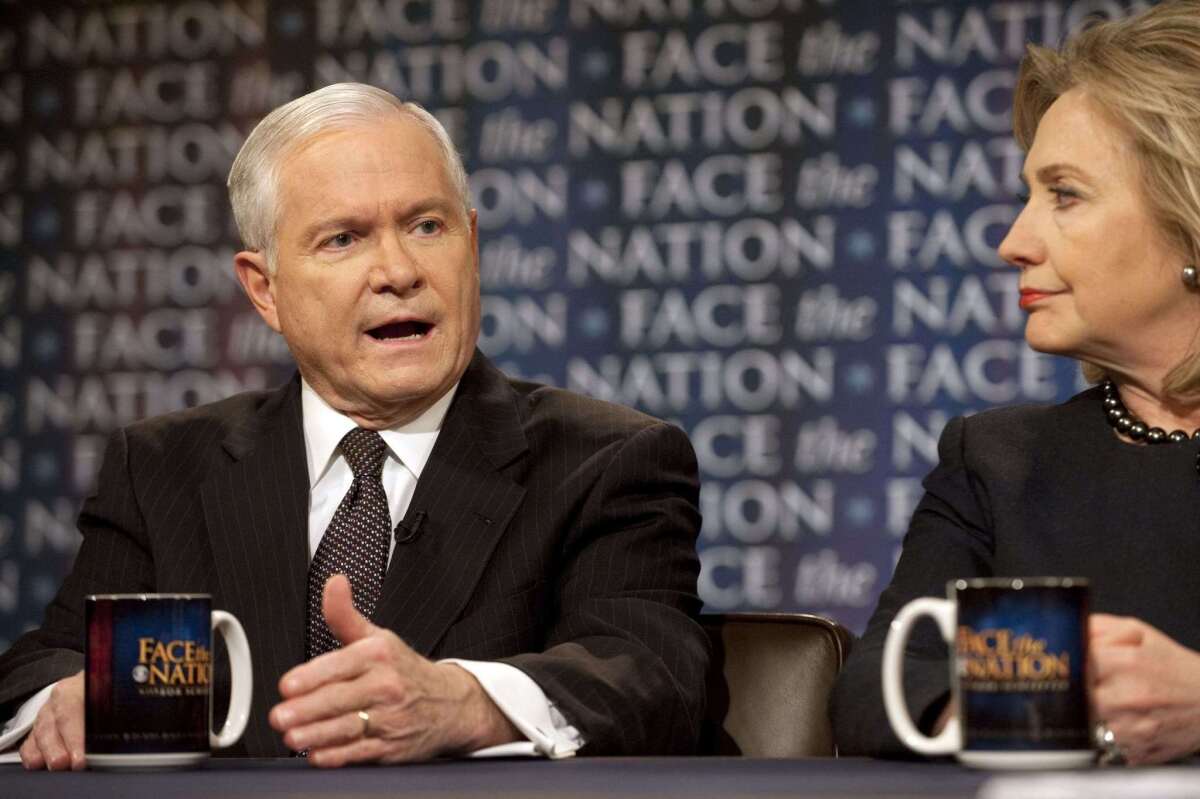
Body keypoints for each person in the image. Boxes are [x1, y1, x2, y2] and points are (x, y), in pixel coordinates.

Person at [0, 83, 709, 769]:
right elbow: (44, 663)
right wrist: (67, 700)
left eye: (427, 226)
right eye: (343, 239)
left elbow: (652, 674)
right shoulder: (162, 468)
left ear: (472, 243)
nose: (398, 270)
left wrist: (466, 702)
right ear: (264, 288)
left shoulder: (607, 461)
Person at [832, 0, 1200, 766]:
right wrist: (1072, 705)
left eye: (1064, 194)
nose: (1012, 242)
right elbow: (884, 688)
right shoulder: (1001, 459)